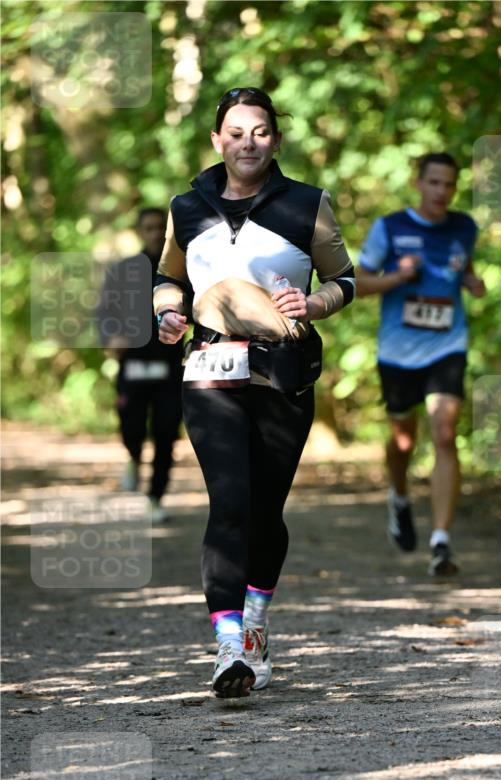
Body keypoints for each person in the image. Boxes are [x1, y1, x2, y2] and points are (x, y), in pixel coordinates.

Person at [154, 86, 355, 698]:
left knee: (266, 509)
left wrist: (313, 303)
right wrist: (167, 312)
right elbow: (167, 276)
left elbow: (345, 279)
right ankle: (228, 644)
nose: (248, 143)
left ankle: (256, 621)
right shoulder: (186, 206)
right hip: (210, 367)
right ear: (217, 139)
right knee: (230, 503)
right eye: (236, 133)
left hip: (282, 371)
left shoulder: (308, 204)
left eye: (260, 132)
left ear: (276, 139)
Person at [356, 152, 486, 577]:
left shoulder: (464, 227)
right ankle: (399, 496)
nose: (441, 192)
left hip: (447, 344)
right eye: (434, 183)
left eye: (449, 184)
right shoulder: (390, 227)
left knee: (445, 433)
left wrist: (471, 280)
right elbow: (358, 283)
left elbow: (463, 267)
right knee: (404, 441)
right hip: (398, 352)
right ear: (418, 183)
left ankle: (441, 541)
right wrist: (397, 277)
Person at [98, 208, 184, 524]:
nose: (155, 233)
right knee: (131, 426)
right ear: (139, 231)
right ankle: (133, 456)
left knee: (166, 432)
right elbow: (105, 312)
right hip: (133, 364)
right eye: (148, 227)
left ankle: (155, 497)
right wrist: (111, 338)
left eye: (160, 227)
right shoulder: (124, 270)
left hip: (170, 366)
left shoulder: (181, 269)